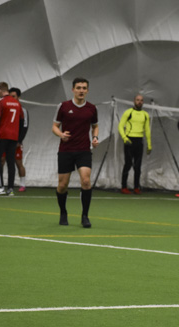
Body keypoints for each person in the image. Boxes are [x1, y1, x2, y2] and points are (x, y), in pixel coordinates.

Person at [52, 77, 99, 228]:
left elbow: (95, 126)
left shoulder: (92, 108)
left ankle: (85, 216)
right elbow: (54, 127)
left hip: (84, 150)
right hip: (65, 150)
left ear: (87, 90)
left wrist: (95, 137)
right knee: (62, 185)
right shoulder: (63, 106)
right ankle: (63, 212)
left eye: (84, 88)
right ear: (73, 89)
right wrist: (61, 135)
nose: (81, 91)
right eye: (78, 88)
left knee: (86, 181)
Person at [0, 87, 30, 192]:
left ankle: (22, 184)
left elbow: (25, 126)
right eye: (11, 96)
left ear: (19, 97)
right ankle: (1, 183)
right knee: (2, 160)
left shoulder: (22, 109)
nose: (12, 98)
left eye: (14, 96)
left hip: (14, 139)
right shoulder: (8, 106)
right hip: (9, 137)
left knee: (17, 162)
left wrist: (19, 140)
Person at [118, 94, 151, 194]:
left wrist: (149, 144)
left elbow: (147, 130)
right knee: (128, 164)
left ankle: (136, 187)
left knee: (138, 166)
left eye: (141, 100)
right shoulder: (128, 112)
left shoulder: (145, 114)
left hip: (139, 141)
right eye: (138, 100)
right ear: (134, 101)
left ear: (143, 102)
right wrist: (124, 138)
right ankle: (124, 187)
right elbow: (120, 126)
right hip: (129, 141)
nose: (139, 102)